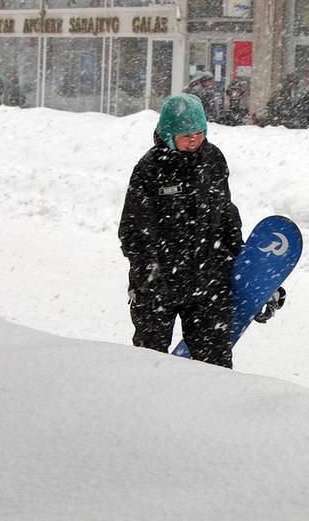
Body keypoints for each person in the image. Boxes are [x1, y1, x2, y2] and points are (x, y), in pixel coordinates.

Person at [119, 93, 282, 368]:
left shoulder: (213, 160)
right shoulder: (149, 169)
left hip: (207, 284)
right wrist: (150, 274)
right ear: (169, 133)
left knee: (215, 367)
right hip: (159, 286)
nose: (194, 139)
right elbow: (133, 230)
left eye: (199, 132)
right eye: (186, 134)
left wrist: (242, 264)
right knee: (148, 366)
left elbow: (226, 216)